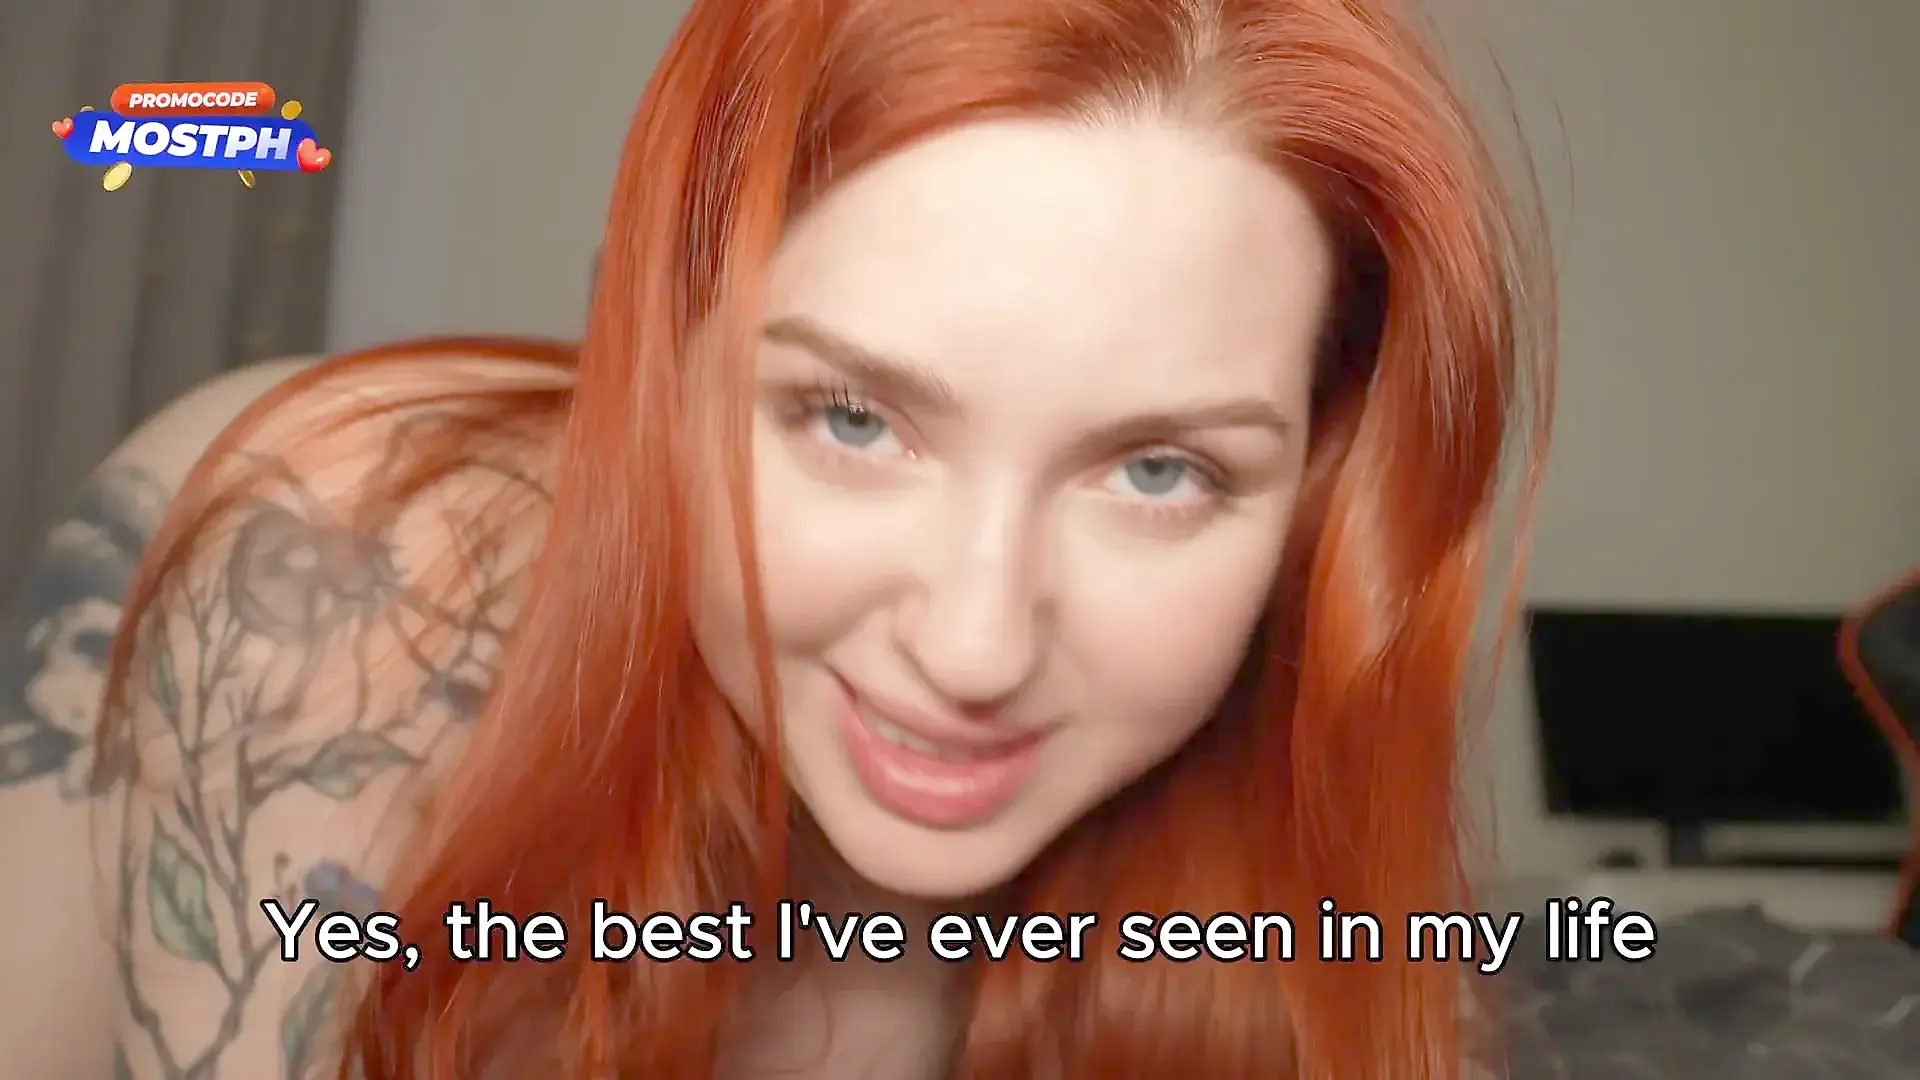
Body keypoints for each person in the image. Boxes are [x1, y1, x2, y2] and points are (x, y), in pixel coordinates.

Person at [0, 0, 1553, 1076]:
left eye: (1159, 472)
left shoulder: (1326, 919)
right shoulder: (336, 573)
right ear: (654, 363)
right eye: (853, 420)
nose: (973, 647)